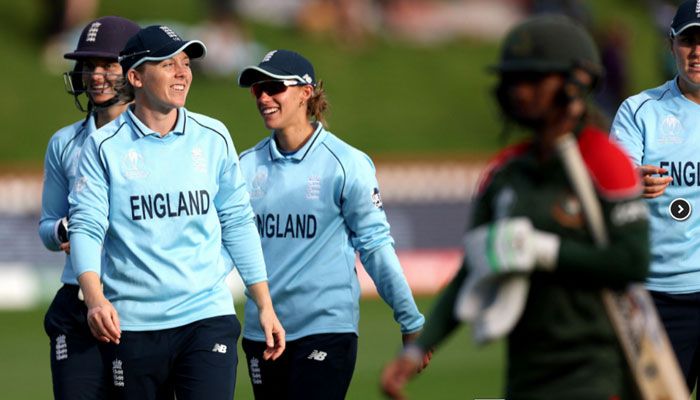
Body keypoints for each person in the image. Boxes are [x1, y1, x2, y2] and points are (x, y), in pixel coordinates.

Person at [381, 15, 650, 400]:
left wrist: (544, 251)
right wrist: (415, 351)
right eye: (514, 80)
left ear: (577, 82)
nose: (521, 92)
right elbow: (472, 269)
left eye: (535, 79)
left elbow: (632, 260)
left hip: (597, 373)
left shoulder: (604, 160)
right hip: (526, 374)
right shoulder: (505, 174)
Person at [67, 25, 285, 399]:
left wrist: (264, 304)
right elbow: (85, 227)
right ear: (134, 76)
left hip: (207, 317)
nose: (183, 72)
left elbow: (237, 221)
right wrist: (95, 298)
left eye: (185, 63)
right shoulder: (103, 146)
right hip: (131, 325)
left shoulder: (214, 136)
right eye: (168, 64)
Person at [236, 49, 431, 399]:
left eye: (273, 87)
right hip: (262, 333)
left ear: (305, 92)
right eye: (257, 89)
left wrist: (411, 320)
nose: (264, 97)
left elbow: (375, 248)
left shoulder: (346, 163)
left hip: (325, 329)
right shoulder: (245, 166)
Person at [38, 16, 140, 400]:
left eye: (108, 65)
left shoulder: (161, 141)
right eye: (88, 66)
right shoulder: (64, 144)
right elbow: (47, 227)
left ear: (133, 70)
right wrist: (67, 230)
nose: (95, 75)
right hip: (77, 302)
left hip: (139, 302)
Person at [611, 0, 700, 392]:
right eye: (689, 41)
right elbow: (614, 183)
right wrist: (632, 183)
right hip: (656, 301)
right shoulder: (639, 111)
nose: (697, 52)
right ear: (671, 46)